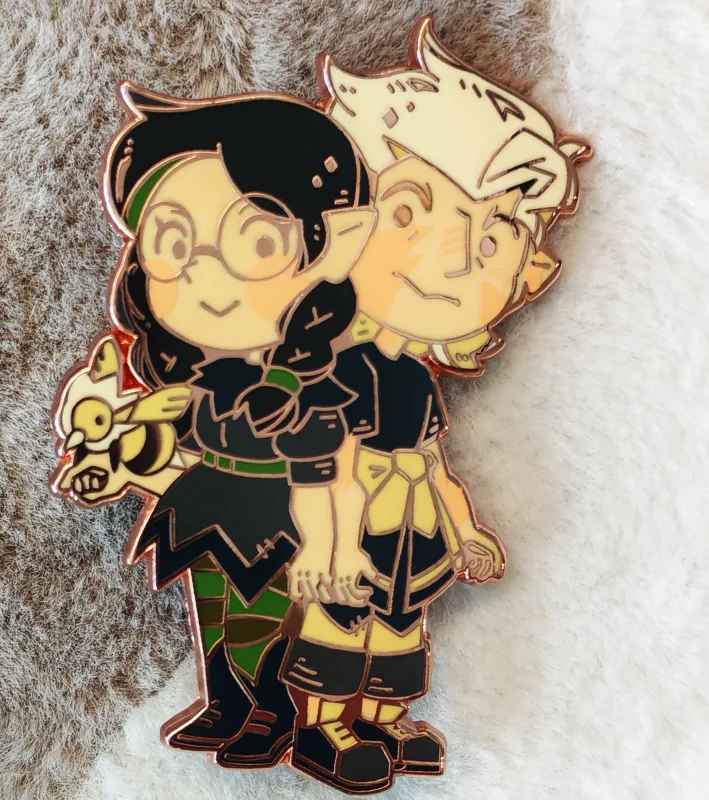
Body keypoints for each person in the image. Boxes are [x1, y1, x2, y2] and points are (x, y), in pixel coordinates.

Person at [278, 17, 591, 793]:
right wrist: (329, 542)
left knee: (399, 631)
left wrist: (466, 531)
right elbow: (321, 460)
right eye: (409, 212)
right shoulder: (333, 364)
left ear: (524, 274)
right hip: (350, 527)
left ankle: (385, 721)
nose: (448, 260)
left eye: (491, 242)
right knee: (339, 625)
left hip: (413, 535)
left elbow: (430, 463)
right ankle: (322, 729)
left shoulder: (416, 380)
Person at [52, 84, 375, 769]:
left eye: (256, 241)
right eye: (171, 242)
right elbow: (171, 442)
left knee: (263, 621)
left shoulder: (313, 385)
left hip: (277, 514)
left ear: (333, 249)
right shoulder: (198, 380)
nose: (202, 274)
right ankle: (227, 703)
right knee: (213, 610)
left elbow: (326, 467)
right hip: (205, 502)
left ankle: (273, 711)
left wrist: (328, 544)